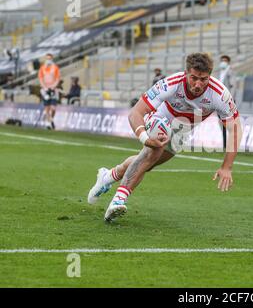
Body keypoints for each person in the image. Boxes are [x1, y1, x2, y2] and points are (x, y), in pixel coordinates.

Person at [87, 53, 242, 222]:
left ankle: (108, 176)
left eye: (203, 79)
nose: (198, 84)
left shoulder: (219, 94)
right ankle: (118, 200)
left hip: (183, 130)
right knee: (154, 149)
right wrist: (145, 138)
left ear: (210, 76)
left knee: (148, 163)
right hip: (160, 118)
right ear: (186, 73)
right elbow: (136, 112)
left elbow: (235, 130)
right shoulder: (172, 83)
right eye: (194, 78)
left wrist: (227, 167)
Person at [38, 53, 60, 130]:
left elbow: (57, 79)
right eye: (47, 58)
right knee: (47, 107)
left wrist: (53, 86)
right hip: (45, 90)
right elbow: (40, 79)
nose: (48, 60)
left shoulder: (55, 68)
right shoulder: (42, 68)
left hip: (53, 89)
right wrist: (45, 87)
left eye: (50, 58)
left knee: (53, 108)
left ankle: (51, 119)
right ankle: (48, 122)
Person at [218, 55, 235, 149]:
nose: (223, 62)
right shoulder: (220, 72)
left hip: (227, 100)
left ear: (228, 62)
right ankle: (225, 143)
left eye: (225, 60)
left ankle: (230, 142)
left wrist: (231, 100)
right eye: (222, 60)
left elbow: (233, 85)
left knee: (228, 121)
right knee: (221, 122)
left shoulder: (230, 71)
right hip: (219, 101)